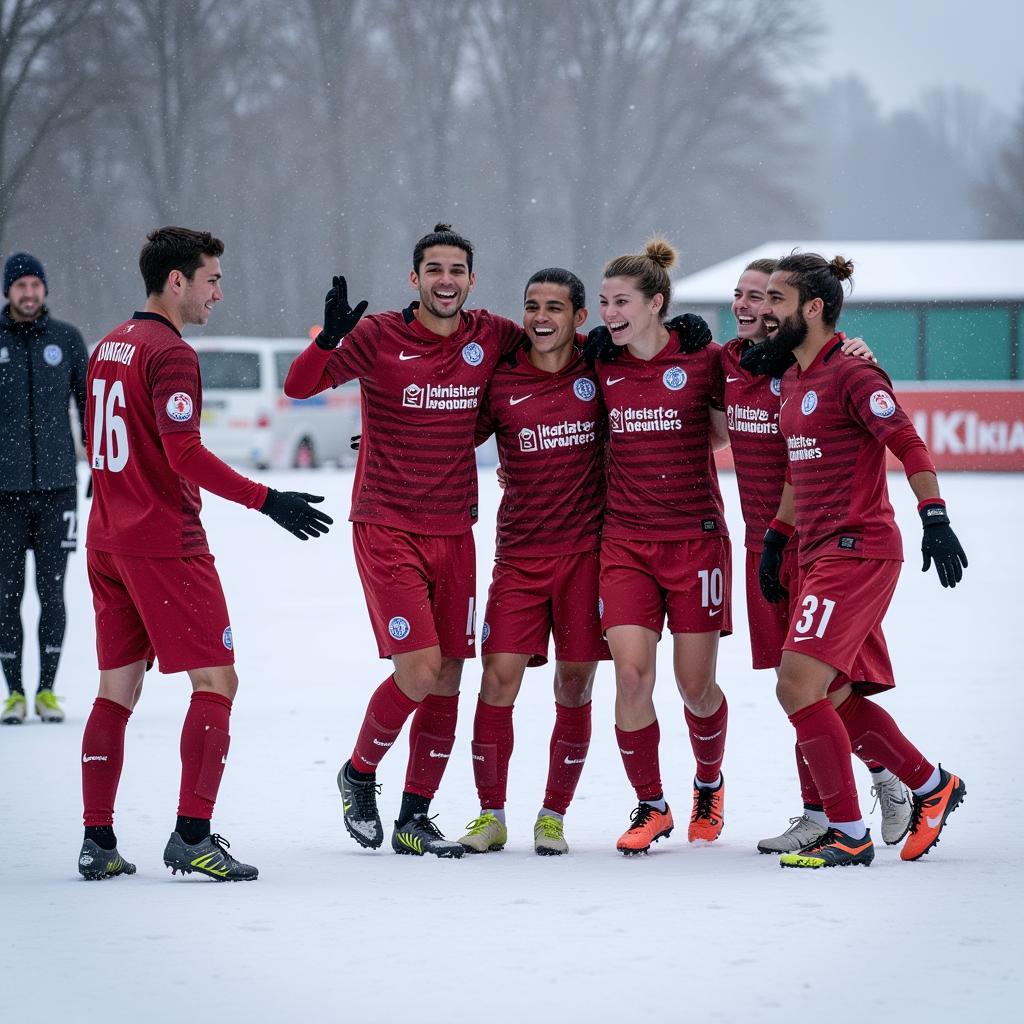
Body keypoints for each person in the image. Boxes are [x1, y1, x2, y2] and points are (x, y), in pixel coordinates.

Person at [78, 227, 331, 882]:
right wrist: (267, 500)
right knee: (217, 681)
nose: (220, 292)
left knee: (116, 691)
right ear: (177, 282)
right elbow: (181, 452)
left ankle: (96, 840)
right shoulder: (171, 352)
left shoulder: (109, 344)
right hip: (162, 542)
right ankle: (192, 834)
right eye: (212, 279)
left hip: (107, 538)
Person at [285, 224, 523, 859]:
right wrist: (330, 338)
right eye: (434, 269)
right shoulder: (378, 335)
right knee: (417, 670)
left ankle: (415, 816)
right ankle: (359, 774)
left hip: (456, 529)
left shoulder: (492, 335)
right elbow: (299, 387)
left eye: (457, 270)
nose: (446, 280)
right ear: (414, 278)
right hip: (387, 524)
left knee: (448, 675)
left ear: (472, 280)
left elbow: (562, 349)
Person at [752, 251, 966, 868]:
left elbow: (909, 442)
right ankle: (931, 785)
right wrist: (776, 535)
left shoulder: (853, 374)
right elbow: (799, 468)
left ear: (812, 308)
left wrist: (935, 517)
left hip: (859, 550)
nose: (764, 312)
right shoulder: (793, 377)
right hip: (814, 553)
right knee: (835, 694)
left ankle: (847, 832)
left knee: (796, 685)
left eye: (776, 301)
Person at [721, 259, 913, 854]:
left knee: (816, 682)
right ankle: (822, 811)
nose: (753, 306)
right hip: (771, 543)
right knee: (802, 686)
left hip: (836, 543)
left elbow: (870, 405)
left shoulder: (819, 361)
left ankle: (877, 788)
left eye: (766, 295)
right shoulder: (723, 367)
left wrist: (857, 352)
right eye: (743, 296)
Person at [456, 268, 609, 856]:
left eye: (554, 307)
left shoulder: (599, 371)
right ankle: (490, 815)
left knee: (574, 685)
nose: (541, 317)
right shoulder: (502, 381)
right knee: (497, 681)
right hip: (518, 557)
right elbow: (451, 430)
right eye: (531, 306)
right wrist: (392, 431)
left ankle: (553, 816)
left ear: (579, 318)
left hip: (587, 558)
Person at [586, 238, 730, 855]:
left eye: (621, 302)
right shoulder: (598, 362)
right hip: (623, 543)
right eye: (602, 303)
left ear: (656, 304)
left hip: (696, 544)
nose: (608, 314)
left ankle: (708, 784)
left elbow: (730, 429)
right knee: (630, 676)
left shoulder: (704, 359)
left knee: (695, 687)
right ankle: (652, 804)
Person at [1, 253, 87, 725]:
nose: (29, 293)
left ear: (45, 289)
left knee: (52, 593)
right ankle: (14, 693)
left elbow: (90, 407)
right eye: (20, 286)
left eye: (35, 284)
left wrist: (99, 465)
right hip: (3, 495)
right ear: (8, 291)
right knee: (5, 594)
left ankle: (47, 691)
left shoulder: (67, 339)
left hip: (58, 490)